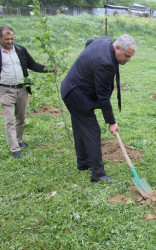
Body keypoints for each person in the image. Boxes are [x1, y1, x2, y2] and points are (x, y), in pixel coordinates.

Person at [61, 34, 136, 183]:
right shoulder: (105, 64)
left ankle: (83, 163)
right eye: (127, 56)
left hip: (71, 87)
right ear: (117, 47)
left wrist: (88, 64)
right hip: (75, 95)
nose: (128, 60)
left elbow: (89, 42)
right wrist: (111, 122)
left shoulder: (105, 40)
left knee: (80, 127)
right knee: (92, 131)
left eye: (130, 57)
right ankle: (98, 175)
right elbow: (103, 98)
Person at [0, 26, 58, 158]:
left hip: (22, 89)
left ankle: (19, 141)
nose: (10, 41)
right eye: (6, 39)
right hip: (5, 90)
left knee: (21, 118)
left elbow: (33, 65)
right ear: (0, 38)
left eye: (12, 39)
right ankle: (14, 149)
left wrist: (49, 69)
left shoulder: (20, 50)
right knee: (9, 120)